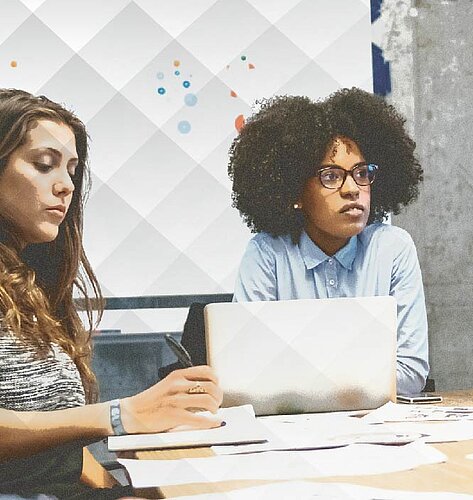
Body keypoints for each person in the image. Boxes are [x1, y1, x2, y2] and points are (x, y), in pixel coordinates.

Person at [0, 89, 224, 498]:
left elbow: (57, 451)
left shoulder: (30, 286)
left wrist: (134, 491)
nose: (66, 185)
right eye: (44, 164)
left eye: (71, 169)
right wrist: (121, 416)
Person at [229, 88, 429, 395]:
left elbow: (411, 374)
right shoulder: (267, 254)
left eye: (361, 173)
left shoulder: (392, 249)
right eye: (332, 176)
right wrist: (361, 376)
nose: (352, 189)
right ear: (295, 191)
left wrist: (298, 378)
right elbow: (247, 372)